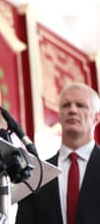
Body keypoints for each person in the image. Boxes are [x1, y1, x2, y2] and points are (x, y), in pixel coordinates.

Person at [15, 83, 100, 224]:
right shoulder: (37, 175)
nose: (72, 110)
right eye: (66, 105)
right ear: (59, 116)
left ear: (96, 118)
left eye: (80, 105)